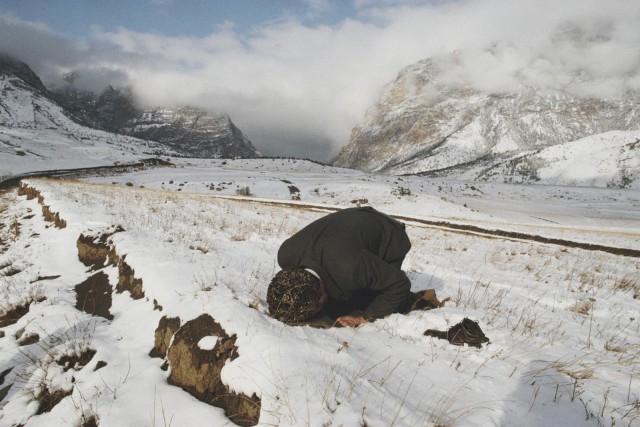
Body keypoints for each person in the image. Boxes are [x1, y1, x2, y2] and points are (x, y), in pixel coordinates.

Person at [267, 207, 413, 327]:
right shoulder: (286, 254)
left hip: (390, 233)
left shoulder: (352, 269)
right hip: (351, 221)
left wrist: (366, 318)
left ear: (322, 296)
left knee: (368, 299)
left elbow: (399, 284)